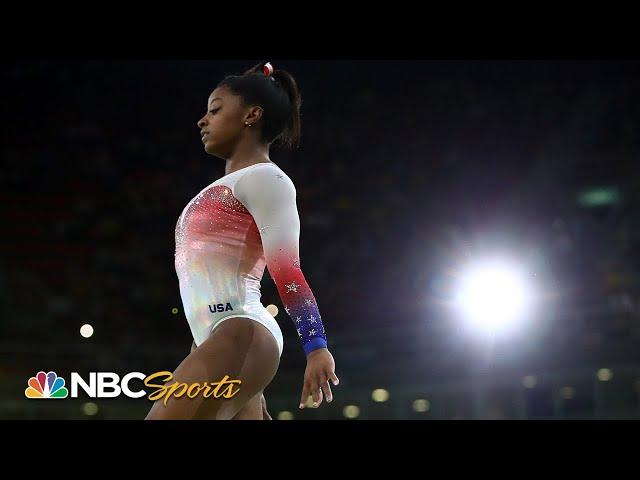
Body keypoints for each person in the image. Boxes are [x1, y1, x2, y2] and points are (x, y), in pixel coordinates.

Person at [145, 62, 339, 420]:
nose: (202, 121)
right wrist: (208, 352)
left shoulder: (267, 179)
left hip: (241, 331)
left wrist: (316, 346)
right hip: (221, 340)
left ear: (252, 115)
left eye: (215, 109)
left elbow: (287, 270)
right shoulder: (222, 188)